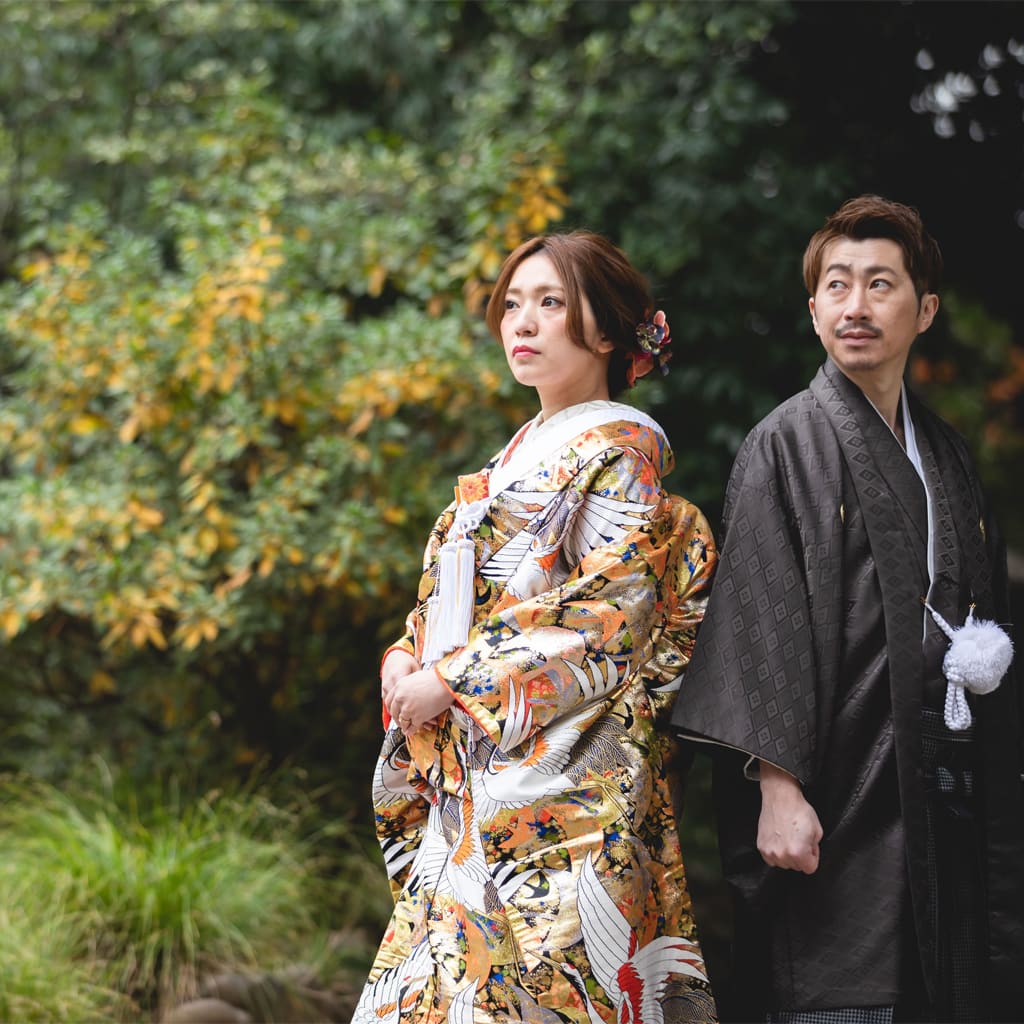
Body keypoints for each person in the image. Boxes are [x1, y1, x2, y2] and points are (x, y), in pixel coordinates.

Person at [672, 194, 1023, 1023]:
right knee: (841, 986)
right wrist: (777, 787)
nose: (855, 306)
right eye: (837, 285)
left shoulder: (947, 454)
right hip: (840, 797)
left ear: (924, 309)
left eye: (879, 285)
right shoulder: (784, 442)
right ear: (814, 307)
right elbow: (760, 617)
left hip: (940, 784)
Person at [355, 231, 718, 1022]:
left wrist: (449, 679)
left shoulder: (623, 452)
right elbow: (447, 601)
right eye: (514, 304)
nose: (524, 321)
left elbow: (605, 616)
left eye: (551, 303)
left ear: (610, 332)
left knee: (551, 992)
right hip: (477, 773)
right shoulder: (513, 456)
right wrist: (405, 657)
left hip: (563, 780)